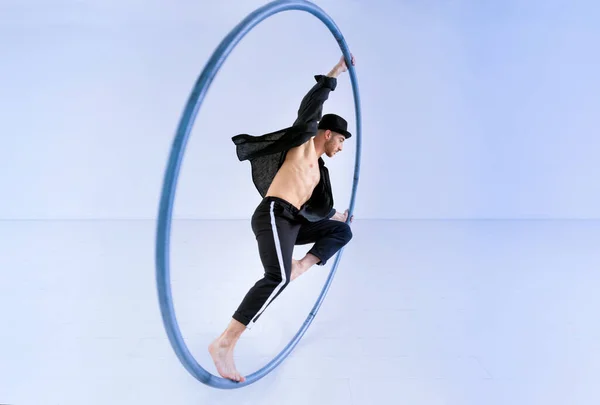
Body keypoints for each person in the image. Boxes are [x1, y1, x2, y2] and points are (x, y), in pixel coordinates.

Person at [208, 54, 356, 382]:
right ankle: (224, 343)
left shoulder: (321, 172)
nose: (342, 148)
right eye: (342, 140)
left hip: (294, 222)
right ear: (328, 133)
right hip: (273, 214)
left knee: (343, 231)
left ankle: (299, 266)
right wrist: (333, 74)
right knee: (276, 277)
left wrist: (337, 216)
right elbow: (311, 106)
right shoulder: (303, 144)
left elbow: (318, 209)